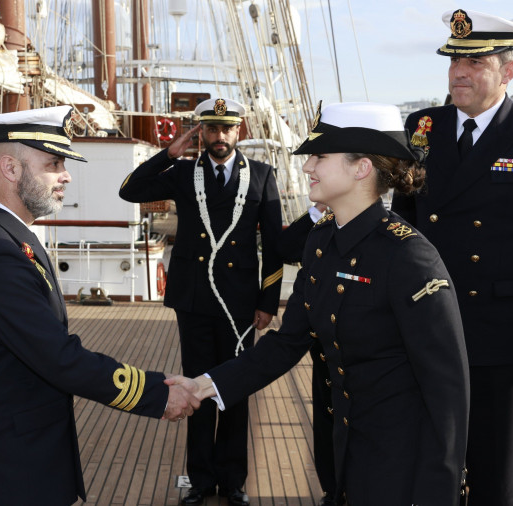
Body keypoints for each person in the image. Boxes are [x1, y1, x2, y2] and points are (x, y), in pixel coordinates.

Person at [175, 102, 470, 505]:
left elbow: (447, 391)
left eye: (320, 156)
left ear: (361, 168)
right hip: (340, 448)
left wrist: (441, 491)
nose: (308, 167)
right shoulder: (322, 240)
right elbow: (287, 342)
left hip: (398, 462)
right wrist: (204, 385)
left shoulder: (408, 258)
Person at [0, 105, 199, 505]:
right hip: (4, 476)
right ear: (10, 168)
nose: (66, 175)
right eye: (53, 164)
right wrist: (156, 393)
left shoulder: (7, 237)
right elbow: (59, 357)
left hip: (23, 463)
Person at [390, 10, 513, 505]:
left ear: (509, 71)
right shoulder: (422, 128)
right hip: (428, 324)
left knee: (495, 479)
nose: (458, 73)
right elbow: (404, 226)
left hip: (504, 336)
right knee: (430, 464)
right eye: (454, 61)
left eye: (474, 62)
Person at [119, 97, 284, 506]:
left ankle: (233, 482)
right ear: (202, 133)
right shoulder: (182, 171)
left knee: (235, 389)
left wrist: (268, 301)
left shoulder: (262, 176)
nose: (220, 137)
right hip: (194, 299)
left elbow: (275, 247)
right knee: (195, 389)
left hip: (241, 304)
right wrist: (167, 154)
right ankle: (201, 479)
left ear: (239, 130)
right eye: (211, 129)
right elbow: (130, 191)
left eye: (226, 129)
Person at [277, 202, 337, 506]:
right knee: (326, 418)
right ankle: (331, 490)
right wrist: (317, 212)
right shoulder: (320, 224)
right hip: (323, 346)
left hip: (365, 356)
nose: (309, 169)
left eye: (321, 161)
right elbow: (284, 249)